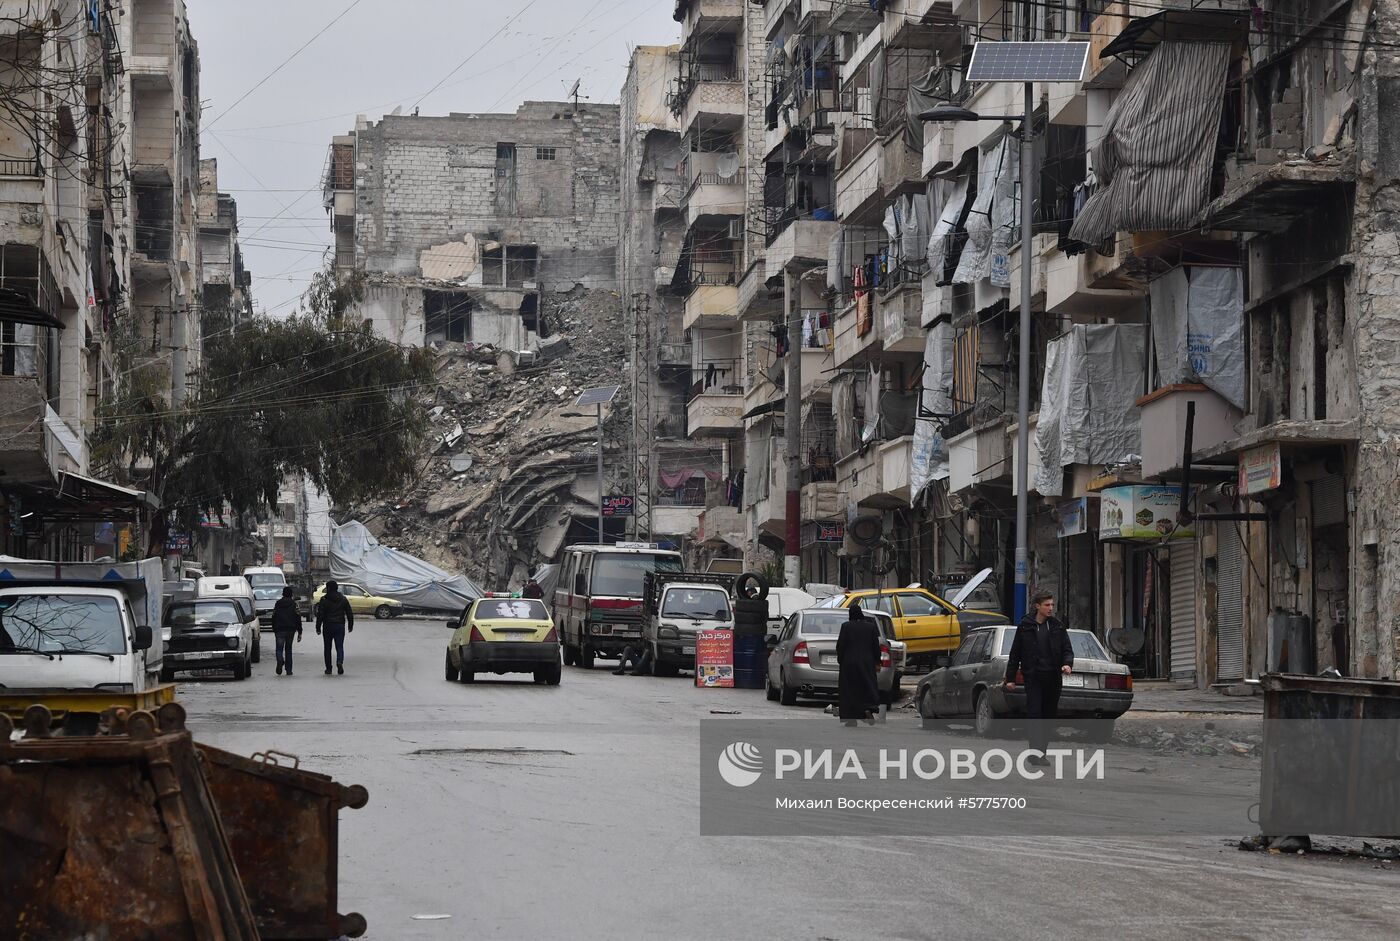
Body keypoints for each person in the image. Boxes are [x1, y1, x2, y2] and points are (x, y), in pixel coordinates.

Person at [1004, 589, 1074, 764]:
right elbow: (1015, 653)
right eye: (1047, 605)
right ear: (1037, 606)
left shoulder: (1057, 626)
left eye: (1052, 605)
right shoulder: (1026, 626)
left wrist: (1067, 664)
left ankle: (1042, 752)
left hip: (1053, 678)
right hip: (1034, 677)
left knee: (1048, 716)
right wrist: (1010, 678)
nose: (1051, 608)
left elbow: (1067, 649)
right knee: (1035, 714)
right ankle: (1034, 754)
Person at [836, 602, 881, 727]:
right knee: (866, 686)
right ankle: (867, 708)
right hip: (867, 663)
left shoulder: (846, 626)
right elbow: (875, 646)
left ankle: (851, 719)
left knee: (849, 691)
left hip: (849, 664)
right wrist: (877, 661)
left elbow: (840, 646)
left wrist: (841, 660)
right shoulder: (870, 627)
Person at [315, 580, 355, 675]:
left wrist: (318, 627)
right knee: (339, 646)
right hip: (339, 625)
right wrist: (350, 624)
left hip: (328, 626)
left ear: (328, 588)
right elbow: (349, 612)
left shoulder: (324, 600)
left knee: (327, 648)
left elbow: (320, 614)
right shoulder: (343, 599)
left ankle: (328, 668)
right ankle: (339, 662)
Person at [270, 586, 303, 676]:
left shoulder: (278, 604)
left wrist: (274, 629)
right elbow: (298, 617)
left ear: (283, 594)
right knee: (288, 649)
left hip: (279, 629)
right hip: (290, 630)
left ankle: (280, 660)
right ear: (291, 594)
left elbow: (273, 616)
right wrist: (300, 631)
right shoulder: (294, 604)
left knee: (279, 649)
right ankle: (289, 670)